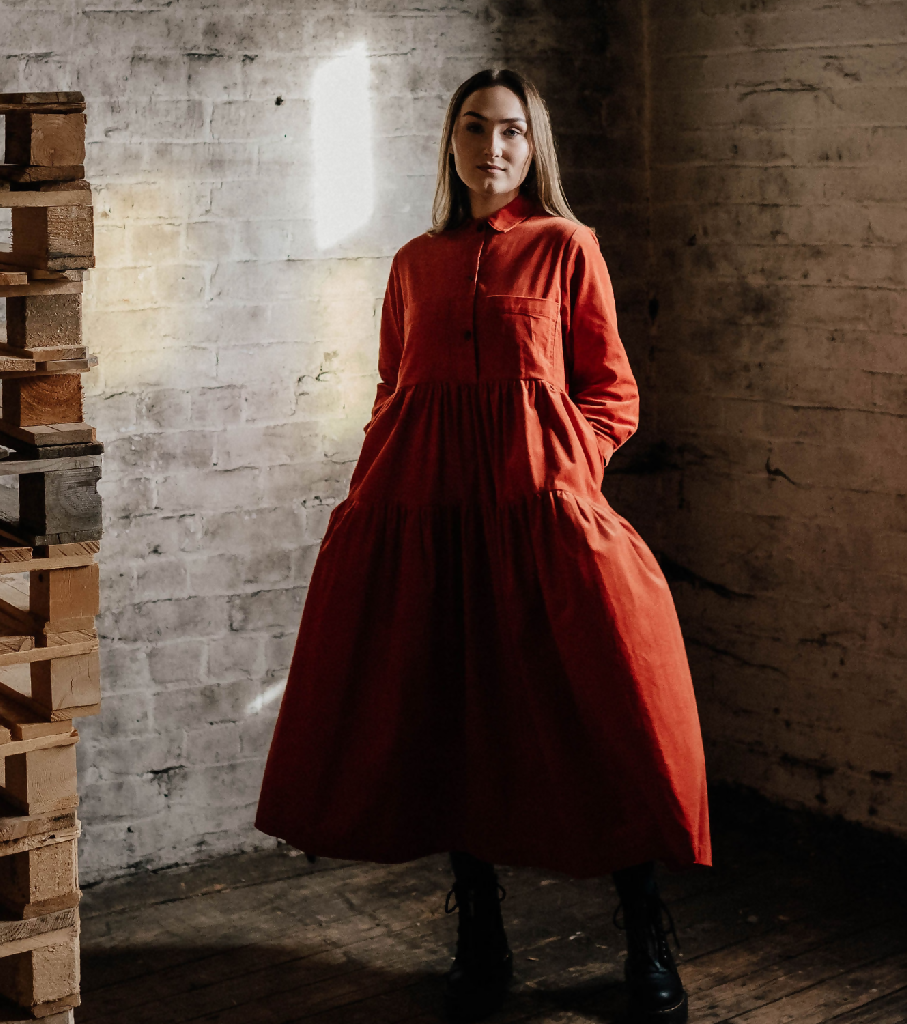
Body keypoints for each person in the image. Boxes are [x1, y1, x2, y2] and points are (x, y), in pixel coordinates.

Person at [256, 68, 711, 1023]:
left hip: (539, 520)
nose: (491, 147)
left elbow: (611, 394)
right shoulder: (415, 263)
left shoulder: (565, 248)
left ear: (533, 146)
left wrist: (558, 475)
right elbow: (393, 389)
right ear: (451, 142)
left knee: (606, 716)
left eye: (510, 131)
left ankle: (645, 932)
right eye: (474, 128)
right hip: (432, 524)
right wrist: (381, 495)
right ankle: (481, 931)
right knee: (449, 719)